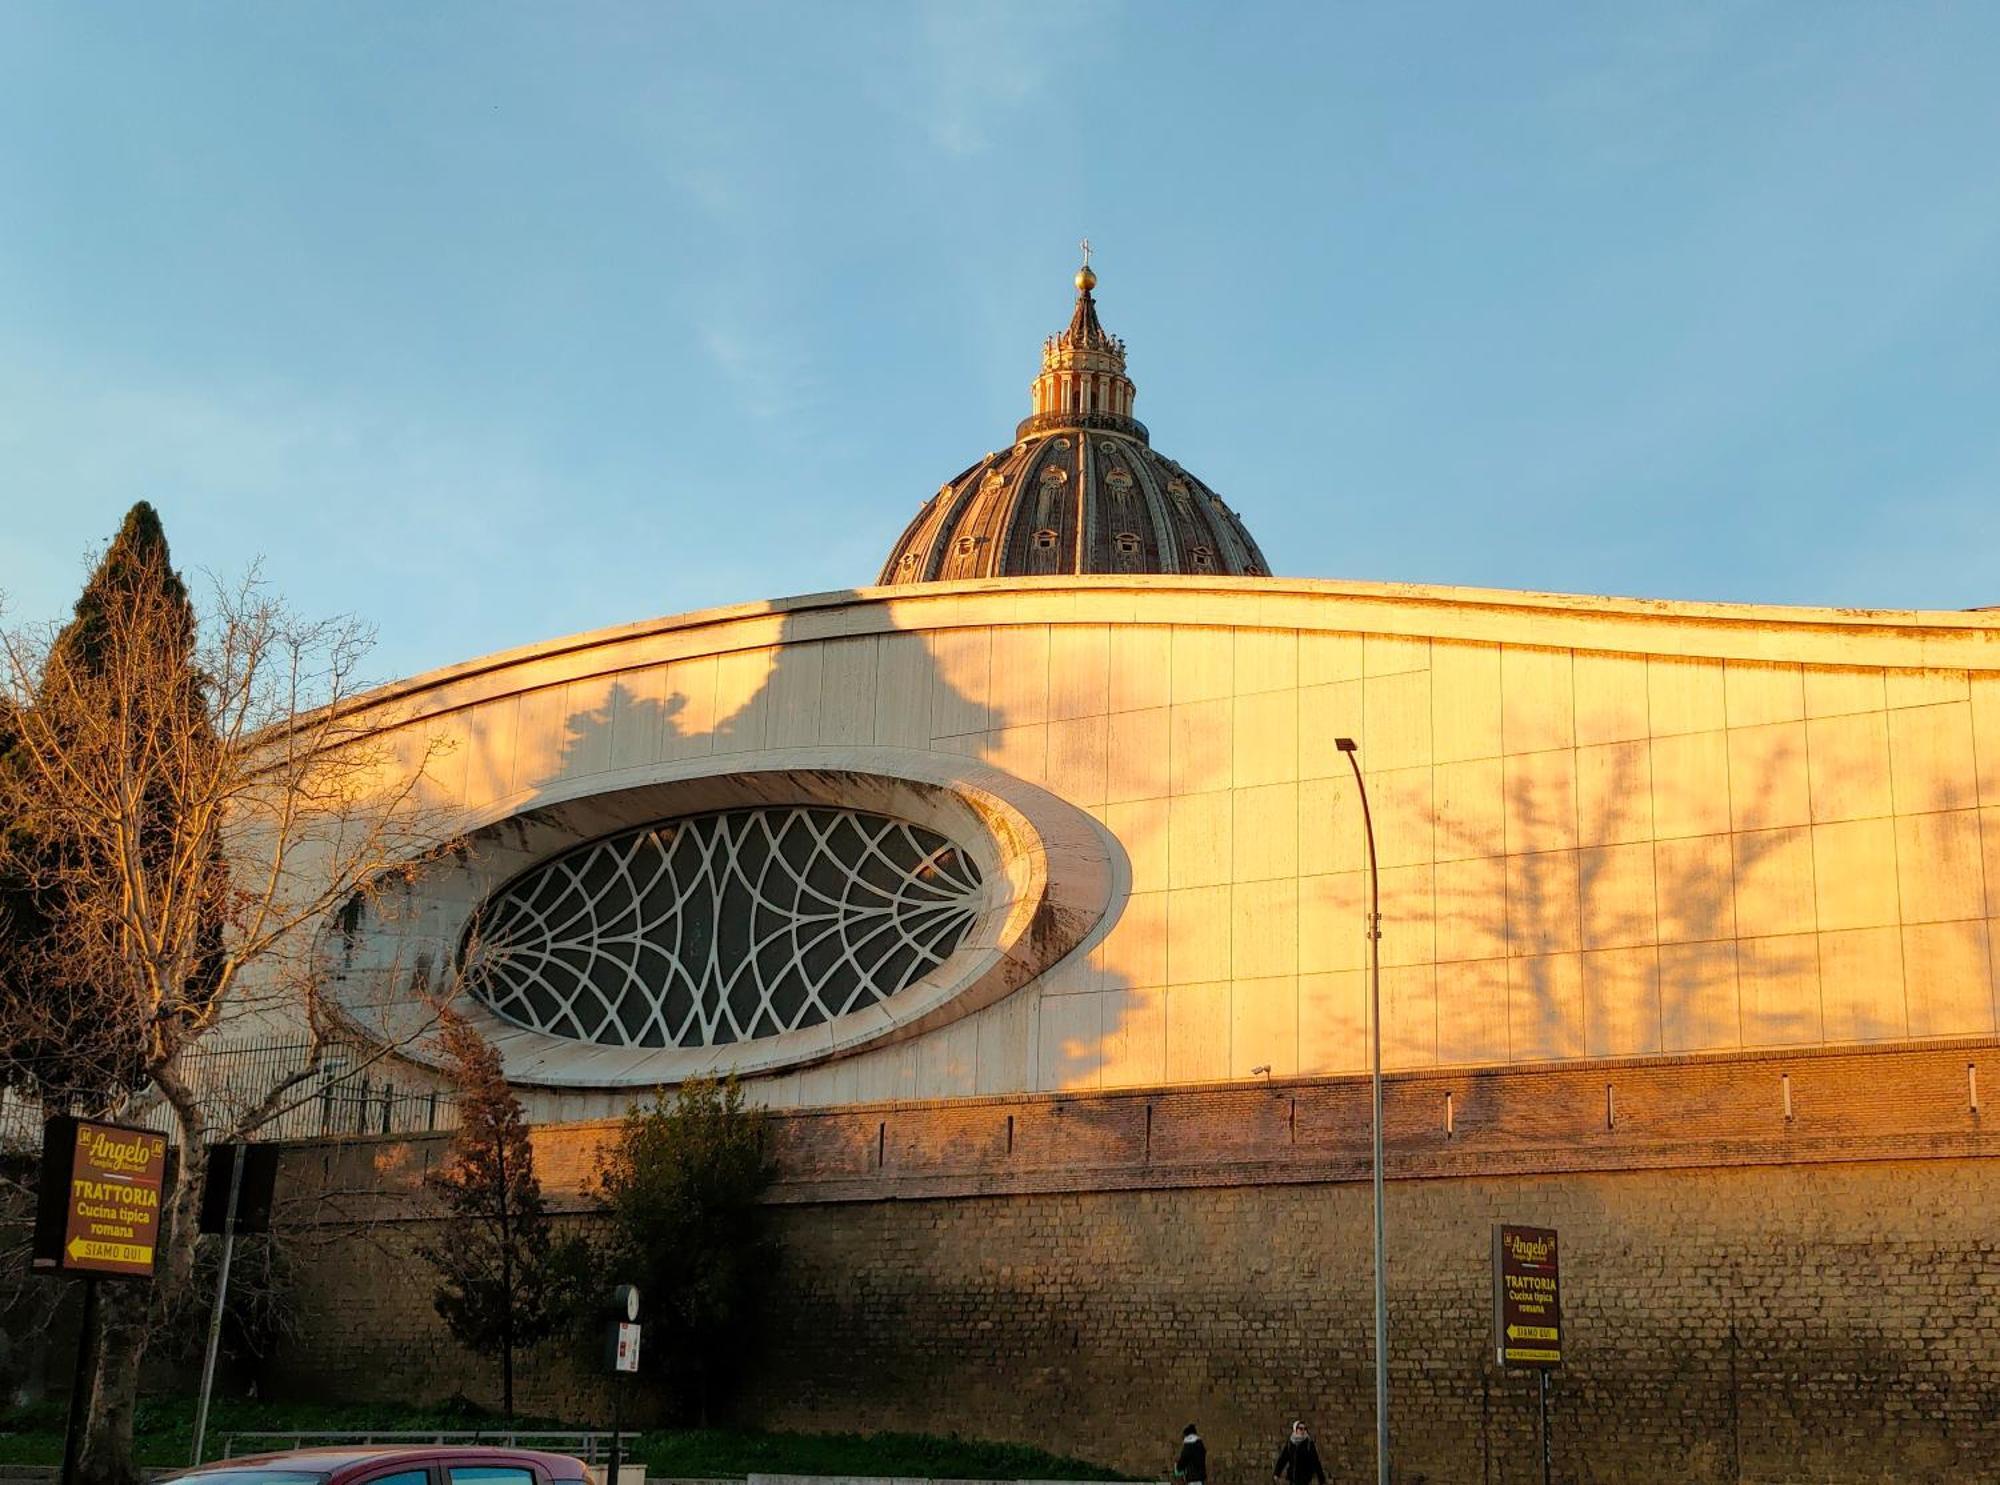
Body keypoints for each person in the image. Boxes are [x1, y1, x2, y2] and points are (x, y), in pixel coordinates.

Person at [1273, 1421, 1325, 1485]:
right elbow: (1283, 1459)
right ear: (1295, 1430)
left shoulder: (1308, 1443)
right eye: (1300, 1428)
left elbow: (1315, 1461)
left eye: (1304, 1428)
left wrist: (1321, 1478)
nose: (1303, 1430)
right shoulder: (1290, 1443)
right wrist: (1277, 1473)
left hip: (1304, 1479)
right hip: (1293, 1478)